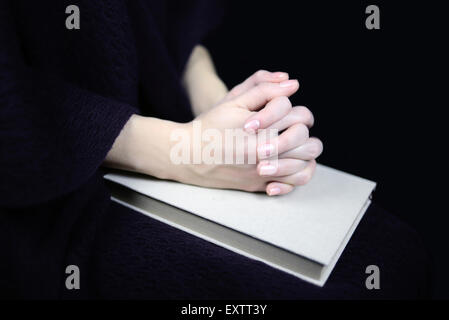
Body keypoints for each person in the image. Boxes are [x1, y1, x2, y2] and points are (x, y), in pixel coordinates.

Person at [0, 0, 430, 299]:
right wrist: (184, 150)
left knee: (394, 252)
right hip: (44, 198)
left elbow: (168, 17)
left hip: (166, 110)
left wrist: (221, 104)